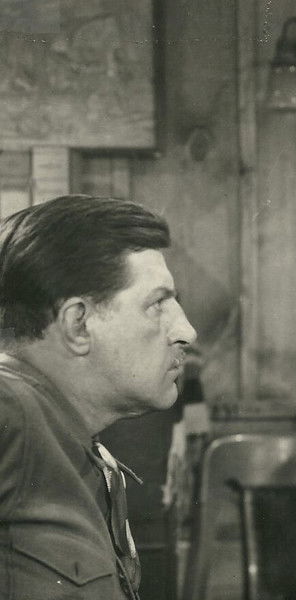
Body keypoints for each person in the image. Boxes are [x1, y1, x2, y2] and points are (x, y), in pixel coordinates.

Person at [0, 195, 196, 600]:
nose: (186, 331)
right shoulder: (10, 408)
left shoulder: (76, 444)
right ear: (79, 325)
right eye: (157, 304)